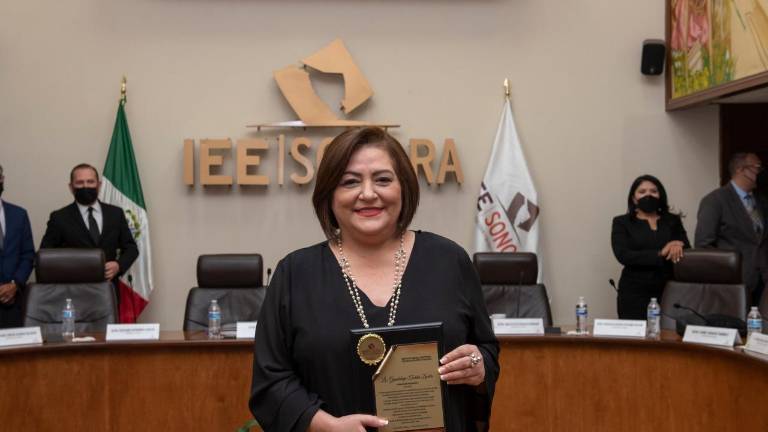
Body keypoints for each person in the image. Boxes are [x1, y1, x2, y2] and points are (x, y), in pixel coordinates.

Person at [249, 127, 499, 432]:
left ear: (404, 188)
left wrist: (478, 365)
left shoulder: (450, 261)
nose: (368, 194)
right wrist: (326, 426)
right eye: (350, 182)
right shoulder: (294, 274)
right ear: (329, 195)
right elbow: (271, 381)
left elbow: (486, 350)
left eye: (382, 179)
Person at [40, 163, 138, 303]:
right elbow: (45, 255)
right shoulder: (59, 218)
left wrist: (118, 265)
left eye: (90, 181)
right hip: (72, 294)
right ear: (71, 187)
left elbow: (131, 248)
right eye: (80, 182)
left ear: (99, 185)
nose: (85, 186)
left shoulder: (115, 214)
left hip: (108, 292)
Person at [611, 175, 690, 319]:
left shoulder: (672, 221)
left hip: (669, 289)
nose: (648, 195)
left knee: (669, 331)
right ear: (634, 198)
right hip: (634, 291)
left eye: (654, 191)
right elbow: (623, 255)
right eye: (642, 192)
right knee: (636, 332)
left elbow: (686, 249)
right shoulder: (622, 222)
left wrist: (677, 244)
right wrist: (660, 253)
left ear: (660, 195)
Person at [695, 153, 768, 306]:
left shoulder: (762, 201)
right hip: (732, 285)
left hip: (763, 283)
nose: (761, 172)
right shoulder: (715, 200)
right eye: (758, 167)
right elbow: (703, 245)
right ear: (741, 169)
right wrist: (725, 275)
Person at [0, 164, 35, 328]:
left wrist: (15, 284)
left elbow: (28, 255)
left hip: (12, 302)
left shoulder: (19, 214)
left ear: (2, 179)